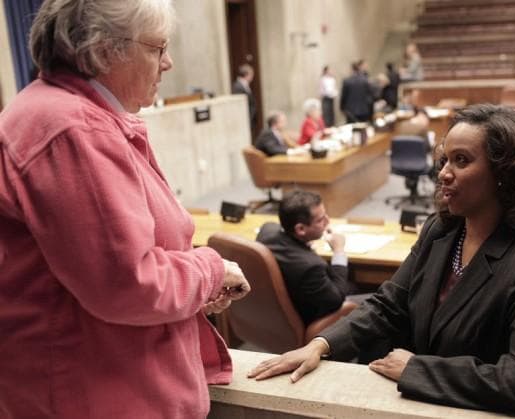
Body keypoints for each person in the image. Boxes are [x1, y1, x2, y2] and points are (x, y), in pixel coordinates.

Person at [0, 1, 251, 418]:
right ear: (103, 50)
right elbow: (128, 283)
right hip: (95, 396)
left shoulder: (70, 115)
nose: (168, 63)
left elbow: (96, 269)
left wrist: (193, 290)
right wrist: (211, 270)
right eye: (157, 48)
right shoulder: (74, 130)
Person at [248, 104, 515, 416]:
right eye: (445, 159)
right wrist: (320, 345)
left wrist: (417, 370)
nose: (444, 173)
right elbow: (390, 303)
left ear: (506, 173)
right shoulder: (441, 229)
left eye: (461, 160)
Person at [256, 190, 361, 324]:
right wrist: (338, 250)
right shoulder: (311, 266)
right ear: (300, 229)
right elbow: (337, 298)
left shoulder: (267, 230)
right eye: (321, 219)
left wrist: (306, 242)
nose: (328, 221)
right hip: (308, 317)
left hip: (272, 314)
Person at [231, 63, 256, 130]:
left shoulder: (245, 85)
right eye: (251, 74)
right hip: (244, 119)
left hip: (249, 118)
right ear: (246, 74)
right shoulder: (238, 86)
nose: (252, 77)